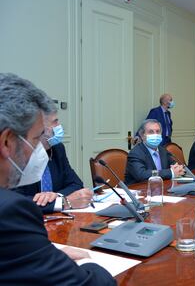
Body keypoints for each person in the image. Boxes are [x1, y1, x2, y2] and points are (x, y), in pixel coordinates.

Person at [0, 73, 115, 285]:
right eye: (36, 139)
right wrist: (91, 263)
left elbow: (75, 183)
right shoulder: (9, 212)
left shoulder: (57, 150)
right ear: (6, 141)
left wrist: (45, 252)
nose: (39, 151)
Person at [14, 110, 93, 213]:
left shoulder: (57, 149)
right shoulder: (17, 154)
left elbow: (76, 184)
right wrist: (64, 202)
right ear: (39, 127)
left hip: (56, 221)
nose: (59, 126)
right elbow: (15, 202)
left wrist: (57, 196)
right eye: (55, 122)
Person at [125, 119, 184, 184]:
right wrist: (171, 172)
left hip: (161, 188)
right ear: (142, 135)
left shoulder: (163, 150)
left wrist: (179, 169)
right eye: (151, 132)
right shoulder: (136, 153)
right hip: (139, 190)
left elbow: (175, 166)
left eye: (158, 131)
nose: (155, 135)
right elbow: (142, 175)